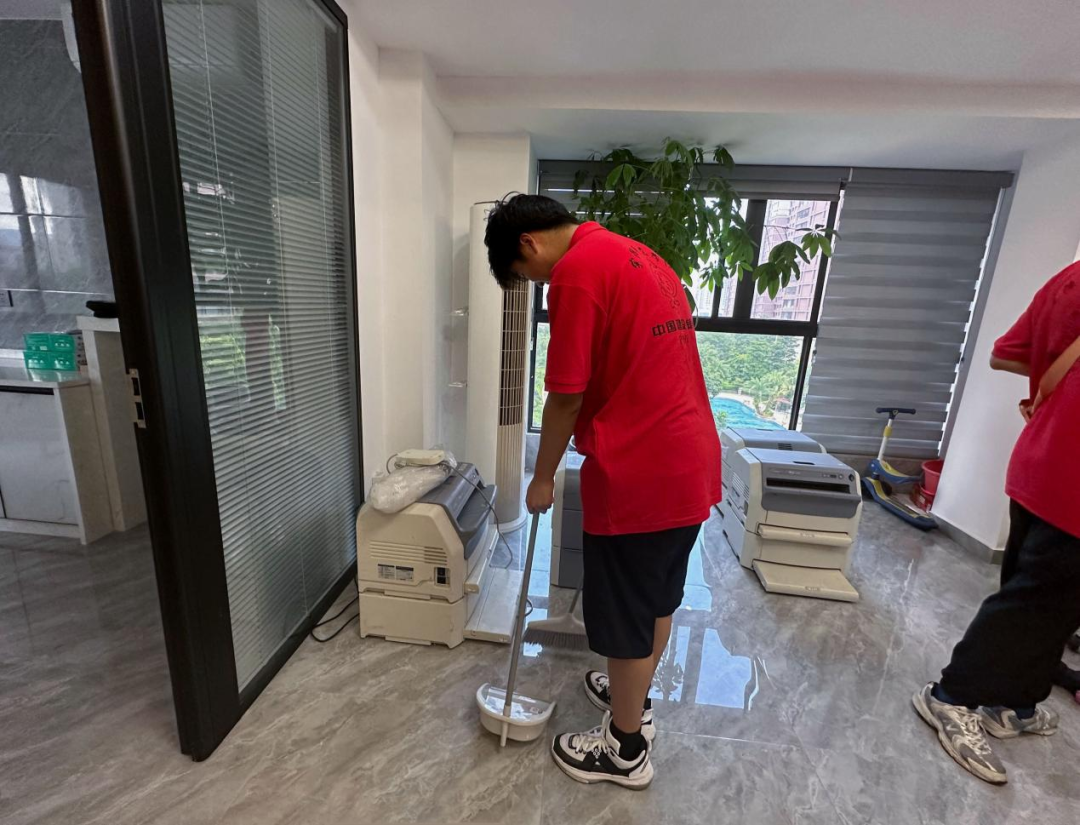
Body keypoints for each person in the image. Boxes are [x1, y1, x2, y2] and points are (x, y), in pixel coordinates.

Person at [484, 194, 721, 789]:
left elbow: (566, 395)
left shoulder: (577, 272)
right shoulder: (637, 255)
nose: (541, 284)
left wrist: (542, 477)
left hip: (640, 472)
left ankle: (624, 749)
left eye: (528, 276)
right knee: (657, 601)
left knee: (623, 617)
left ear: (528, 243)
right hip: (688, 460)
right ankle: (631, 700)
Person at [913, 261, 1080, 785]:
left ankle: (1016, 704)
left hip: (1041, 461)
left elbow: (1005, 354)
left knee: (1048, 605)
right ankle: (951, 696)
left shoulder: (1070, 278)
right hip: (1071, 480)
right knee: (1033, 604)